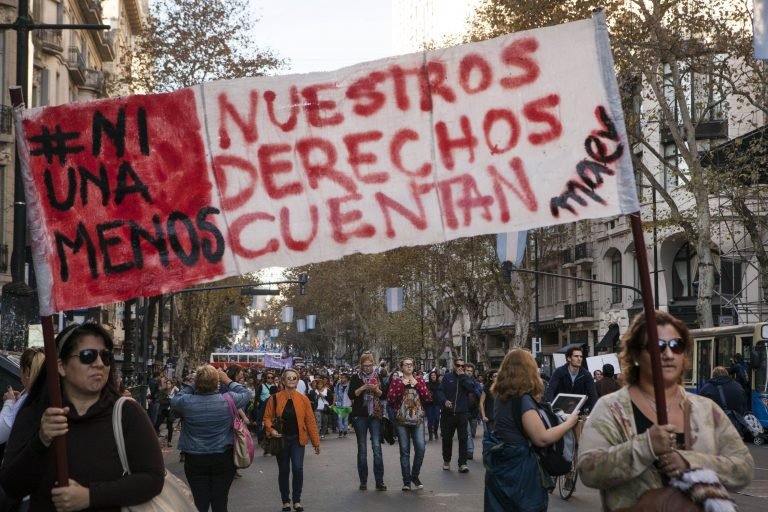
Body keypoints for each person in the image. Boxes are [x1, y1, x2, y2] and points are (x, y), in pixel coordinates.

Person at [577, 311, 754, 511]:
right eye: (657, 346)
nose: (668, 354)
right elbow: (588, 470)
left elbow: (744, 467)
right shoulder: (611, 408)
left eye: (676, 346)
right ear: (635, 355)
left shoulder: (706, 409)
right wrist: (645, 447)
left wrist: (689, 462)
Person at [0, 323, 165, 510]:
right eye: (88, 356)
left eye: (106, 356)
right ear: (61, 366)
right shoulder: (36, 413)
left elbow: (153, 478)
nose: (99, 364)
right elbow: (12, 486)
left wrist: (90, 496)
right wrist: (41, 441)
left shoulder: (127, 413)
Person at [484, 349, 580, 511]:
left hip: (499, 465)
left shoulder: (501, 396)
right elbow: (541, 438)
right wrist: (569, 423)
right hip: (520, 470)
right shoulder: (523, 401)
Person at [172, 364, 253, 512]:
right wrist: (228, 380)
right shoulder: (228, 399)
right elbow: (246, 393)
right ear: (217, 382)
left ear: (198, 382)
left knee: (199, 502)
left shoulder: (186, 402)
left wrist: (193, 384)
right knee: (220, 501)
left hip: (195, 458)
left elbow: (176, 398)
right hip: (223, 457)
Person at [264, 368, 320, 512]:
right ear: (283, 380)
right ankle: (285, 501)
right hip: (281, 440)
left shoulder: (303, 399)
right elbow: (267, 418)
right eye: (288, 378)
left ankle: (297, 500)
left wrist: (316, 442)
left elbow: (310, 421)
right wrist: (271, 430)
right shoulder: (274, 398)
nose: (291, 380)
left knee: (298, 468)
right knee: (284, 470)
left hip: (297, 440)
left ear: (297, 381)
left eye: (294, 378)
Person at [386, 357, 431, 491]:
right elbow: (390, 399)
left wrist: (416, 384)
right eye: (406, 365)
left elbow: (427, 397)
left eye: (411, 364)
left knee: (421, 448)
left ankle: (414, 476)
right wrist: (402, 385)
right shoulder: (396, 382)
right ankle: (406, 481)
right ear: (401, 368)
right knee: (404, 451)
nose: (409, 367)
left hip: (417, 419)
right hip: (401, 420)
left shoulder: (420, 380)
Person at [348, 351, 386, 491]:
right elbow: (351, 394)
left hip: (375, 415)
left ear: (373, 364)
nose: (368, 368)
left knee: (377, 447)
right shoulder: (355, 377)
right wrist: (364, 387)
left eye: (370, 365)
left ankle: (379, 481)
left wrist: (376, 389)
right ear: (361, 365)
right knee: (362, 448)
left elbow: (384, 395)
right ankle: (363, 481)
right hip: (360, 416)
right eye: (365, 366)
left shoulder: (379, 376)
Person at [437, 356, 476, 473]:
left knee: (463, 439)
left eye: (462, 366)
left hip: (462, 413)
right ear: (454, 366)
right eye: (458, 365)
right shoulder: (447, 377)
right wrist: (444, 401)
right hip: (448, 414)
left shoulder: (467, 378)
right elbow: (440, 391)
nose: (460, 368)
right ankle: (446, 460)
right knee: (447, 439)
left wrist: (462, 376)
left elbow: (471, 388)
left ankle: (463, 463)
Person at [543, 346, 598, 412]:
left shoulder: (586, 374)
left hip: (578, 410)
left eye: (581, 356)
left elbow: (593, 395)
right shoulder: (559, 372)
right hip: (560, 410)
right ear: (569, 358)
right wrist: (549, 409)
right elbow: (551, 390)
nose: (579, 359)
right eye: (576, 356)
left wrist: (593, 412)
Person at [464, 363, 483, 460]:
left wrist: (474, 388)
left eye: (471, 371)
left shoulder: (476, 383)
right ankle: (470, 450)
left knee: (472, 431)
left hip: (474, 411)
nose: (469, 373)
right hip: (464, 410)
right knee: (467, 432)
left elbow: (480, 395)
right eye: (467, 371)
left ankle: (469, 447)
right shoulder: (461, 382)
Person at [154, 377, 179, 446]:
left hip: (171, 411)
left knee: (169, 426)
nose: (168, 385)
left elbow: (178, 400)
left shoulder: (175, 392)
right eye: (167, 383)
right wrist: (170, 400)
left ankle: (169, 442)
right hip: (163, 410)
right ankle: (155, 437)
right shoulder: (162, 391)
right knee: (157, 424)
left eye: (169, 383)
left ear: (172, 384)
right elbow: (160, 401)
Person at [333, 373, 353, 438]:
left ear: (347, 378)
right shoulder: (338, 385)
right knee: (339, 417)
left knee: (346, 418)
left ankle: (345, 431)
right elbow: (335, 393)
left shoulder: (350, 384)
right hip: (340, 403)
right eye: (342, 377)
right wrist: (333, 403)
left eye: (344, 377)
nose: (342, 379)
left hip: (347, 403)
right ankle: (340, 430)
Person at [425, 371, 441, 441]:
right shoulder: (427, 384)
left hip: (437, 404)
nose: (433, 376)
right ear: (430, 377)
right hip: (429, 404)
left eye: (434, 375)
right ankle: (430, 434)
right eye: (432, 375)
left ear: (436, 376)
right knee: (430, 420)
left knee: (437, 418)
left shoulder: (440, 384)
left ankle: (435, 431)